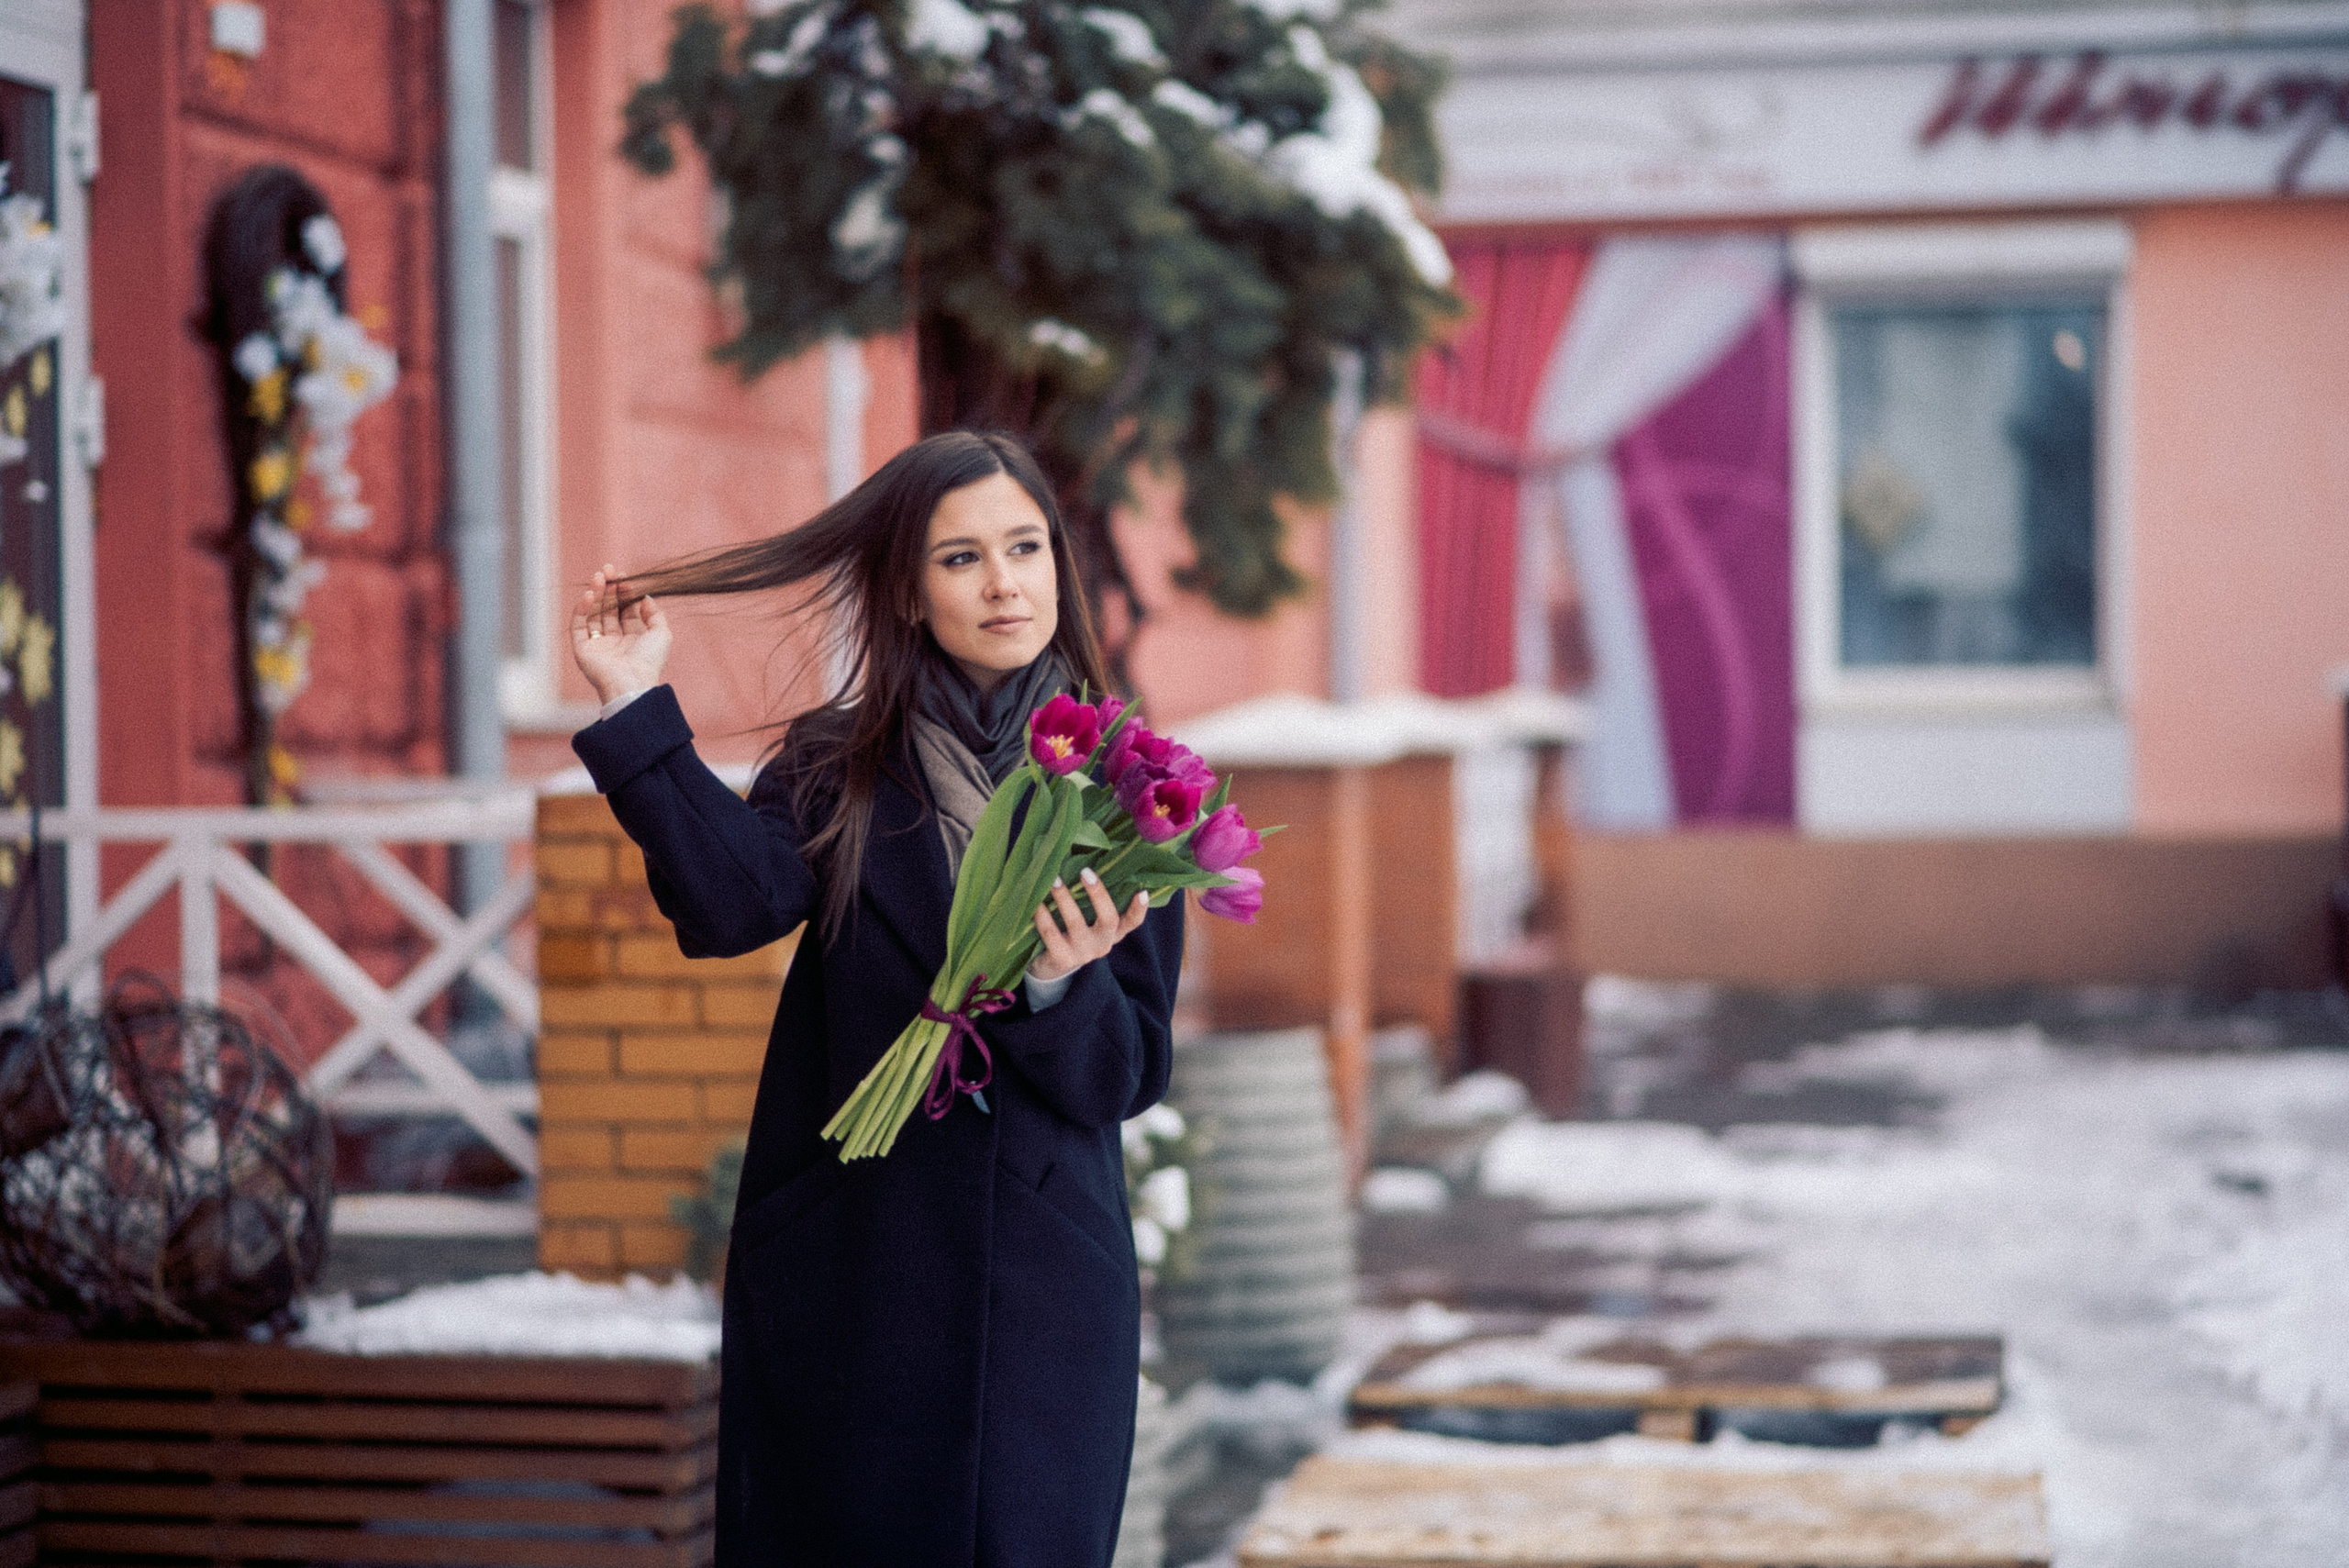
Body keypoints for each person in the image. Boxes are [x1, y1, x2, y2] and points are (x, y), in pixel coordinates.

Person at [566, 430, 1183, 1567]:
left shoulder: (1124, 787)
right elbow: (729, 907)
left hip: (1040, 1289)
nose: (1004, 582)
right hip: (853, 1270)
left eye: (1024, 546)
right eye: (960, 558)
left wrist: (1056, 984)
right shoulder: (840, 762)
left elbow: (1127, 1070)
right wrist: (636, 706)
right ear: (905, 587)